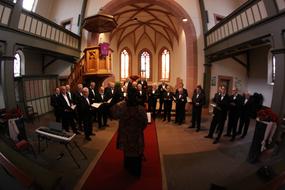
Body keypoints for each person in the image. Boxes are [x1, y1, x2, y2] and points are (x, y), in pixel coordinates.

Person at [110, 87, 148, 177]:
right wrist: (138, 129)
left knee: (127, 152)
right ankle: (136, 172)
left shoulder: (121, 107)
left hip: (125, 135)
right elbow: (145, 123)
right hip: (137, 136)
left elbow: (113, 113)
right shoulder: (141, 109)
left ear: (127, 95)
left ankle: (127, 167)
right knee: (137, 153)